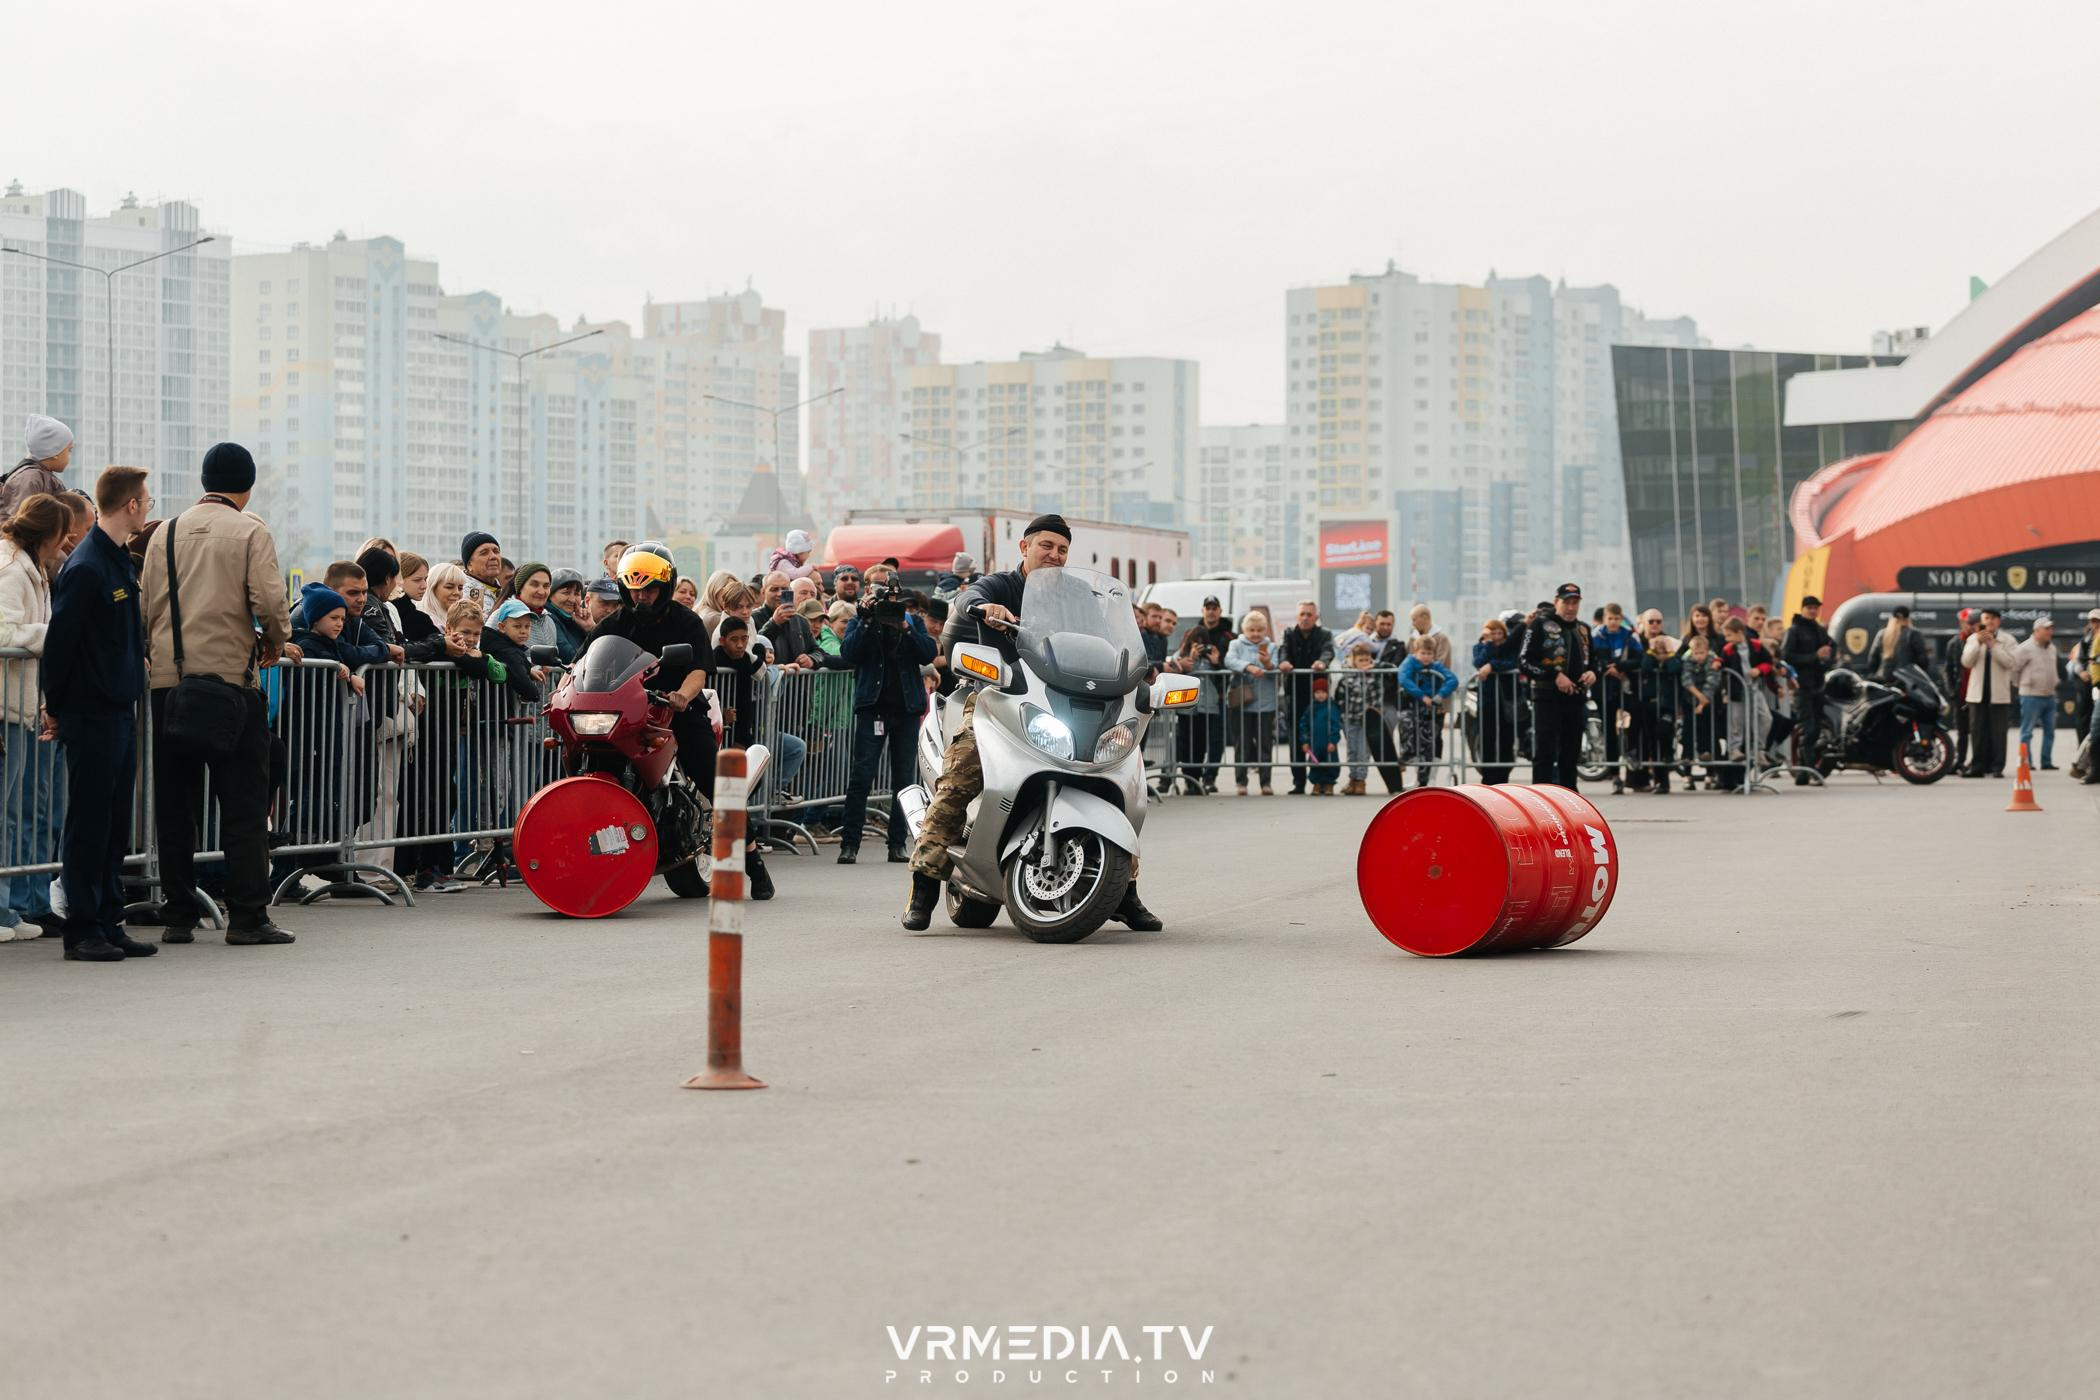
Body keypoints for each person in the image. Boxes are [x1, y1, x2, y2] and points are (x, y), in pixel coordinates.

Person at [904, 514, 1158, 932]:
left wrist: (1138, 668)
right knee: (962, 774)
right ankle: (924, 885)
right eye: (1047, 546)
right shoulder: (1001, 585)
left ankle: (1124, 891)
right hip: (1000, 694)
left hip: (1066, 700)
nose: (1055, 555)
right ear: (1025, 548)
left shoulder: (1080, 596)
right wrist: (983, 607)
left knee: (1123, 785)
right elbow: (966, 600)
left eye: (1062, 549)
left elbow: (1113, 638)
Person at [140, 442, 296, 946]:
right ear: (247, 486)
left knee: (174, 804)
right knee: (244, 802)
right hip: (231, 683)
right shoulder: (251, 529)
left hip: (171, 684)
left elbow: (147, 607)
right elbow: (269, 600)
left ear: (204, 481)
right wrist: (275, 641)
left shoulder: (165, 531)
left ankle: (178, 914)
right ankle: (248, 916)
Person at [594, 543, 765, 898]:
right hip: (625, 714)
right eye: (635, 589)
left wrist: (684, 696)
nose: (642, 596)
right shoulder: (613, 623)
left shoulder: (686, 621)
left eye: (650, 588)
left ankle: (753, 861)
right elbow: (585, 664)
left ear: (665, 586)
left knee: (713, 780)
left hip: (675, 712)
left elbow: (698, 672)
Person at [38, 468, 156, 958]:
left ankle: (109, 920)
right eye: (145, 499)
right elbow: (61, 645)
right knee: (88, 822)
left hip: (117, 708)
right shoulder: (87, 567)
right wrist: (56, 706)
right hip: (90, 710)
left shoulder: (117, 562)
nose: (149, 505)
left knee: (112, 822)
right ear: (129, 505)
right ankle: (82, 927)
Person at [0, 493, 69, 940]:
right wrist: (53, 634)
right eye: (64, 537)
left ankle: (13, 905)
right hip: (6, 705)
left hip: (21, 705)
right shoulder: (11, 569)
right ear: (47, 535)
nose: (67, 545)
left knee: (17, 810)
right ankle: (4, 908)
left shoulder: (31, 568)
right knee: (6, 812)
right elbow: (4, 630)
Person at [835, 577, 938, 864]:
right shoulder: (863, 620)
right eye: (886, 601)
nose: (890, 606)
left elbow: (929, 652)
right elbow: (849, 653)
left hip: (906, 710)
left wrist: (904, 626)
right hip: (873, 709)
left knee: (904, 780)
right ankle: (849, 845)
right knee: (861, 777)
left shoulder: (912, 622)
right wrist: (867, 621)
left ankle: (897, 844)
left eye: (895, 601)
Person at [1519, 582, 1594, 789]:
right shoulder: (1539, 625)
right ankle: (1540, 800)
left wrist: (1592, 673)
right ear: (1556, 602)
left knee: (1571, 754)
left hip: (1576, 699)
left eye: (1575, 603)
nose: (1571, 607)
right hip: (1547, 698)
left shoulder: (1584, 629)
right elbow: (1524, 661)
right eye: (1567, 602)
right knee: (1545, 752)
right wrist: (1555, 675)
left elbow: (1595, 662)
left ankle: (1570, 798)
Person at [1277, 601, 1335, 795]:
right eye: (1302, 614)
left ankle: (1323, 781)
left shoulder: (1324, 634)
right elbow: (1283, 650)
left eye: (1309, 614)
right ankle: (1298, 781)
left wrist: (1322, 662)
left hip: (1317, 695)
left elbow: (1328, 650)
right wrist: (1283, 661)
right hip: (1294, 693)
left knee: (1322, 738)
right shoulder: (1289, 634)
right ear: (1297, 617)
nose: (1305, 618)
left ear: (1316, 617)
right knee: (1296, 739)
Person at [1224, 609, 1280, 795]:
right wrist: (1248, 667)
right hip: (1242, 703)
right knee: (1242, 744)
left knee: (1265, 744)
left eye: (1259, 630)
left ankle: (1266, 783)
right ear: (1244, 630)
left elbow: (1278, 667)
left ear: (1265, 630)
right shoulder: (1236, 644)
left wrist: (1268, 665)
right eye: (1252, 630)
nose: (1256, 634)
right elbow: (1229, 660)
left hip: (1266, 704)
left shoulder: (1271, 647)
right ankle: (1241, 782)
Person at [1781, 595, 1836, 777]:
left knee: (1817, 728)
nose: (1813, 611)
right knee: (1809, 728)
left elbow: (1831, 648)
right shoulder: (1794, 630)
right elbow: (1787, 657)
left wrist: (1826, 660)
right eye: (1810, 607)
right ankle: (1807, 769)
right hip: (1801, 686)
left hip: (1818, 685)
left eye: (1816, 608)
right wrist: (1814, 656)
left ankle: (1805, 771)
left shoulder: (1819, 630)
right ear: (1803, 608)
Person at [1960, 608, 2018, 778]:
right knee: (1977, 732)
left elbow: (2010, 663)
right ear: (1981, 622)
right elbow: (1967, 662)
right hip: (1977, 694)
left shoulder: (2008, 640)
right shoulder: (1972, 639)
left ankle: (1997, 767)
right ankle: (1977, 767)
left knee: (1998, 733)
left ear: (1999, 621)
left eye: (1993, 619)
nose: (1990, 622)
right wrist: (1978, 643)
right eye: (1986, 618)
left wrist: (1993, 646)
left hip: (1999, 694)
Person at [1396, 635, 1458, 787]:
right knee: (1406, 725)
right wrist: (1421, 695)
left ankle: (1423, 780)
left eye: (1429, 654)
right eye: (1423, 653)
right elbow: (1404, 678)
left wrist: (1440, 695)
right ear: (1416, 652)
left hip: (1430, 707)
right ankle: (1408, 753)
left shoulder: (1436, 666)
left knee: (1427, 741)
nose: (1426, 657)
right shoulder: (1410, 662)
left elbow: (1453, 680)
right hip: (1411, 704)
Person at [1471, 616, 1522, 785]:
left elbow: (1512, 662)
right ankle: (1488, 777)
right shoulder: (1480, 647)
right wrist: (1488, 645)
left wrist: (1492, 665)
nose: (1497, 637)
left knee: (1507, 739)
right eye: (1493, 633)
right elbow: (1478, 662)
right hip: (1487, 700)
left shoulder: (1509, 648)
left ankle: (1503, 775)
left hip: (1507, 699)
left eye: (1500, 633)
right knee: (1487, 738)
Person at [1591, 603, 1638, 783]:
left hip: (1624, 686)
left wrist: (1620, 667)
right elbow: (1591, 660)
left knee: (1634, 716)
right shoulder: (1595, 636)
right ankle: (1614, 773)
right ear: (1604, 618)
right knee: (1610, 729)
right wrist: (1605, 668)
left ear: (1621, 619)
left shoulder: (1629, 636)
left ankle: (1631, 751)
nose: (1613, 622)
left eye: (1616, 619)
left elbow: (1638, 658)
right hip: (1603, 689)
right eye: (1610, 618)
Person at [0, 414, 73, 518]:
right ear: (55, 451)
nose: (70, 455)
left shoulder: (40, 476)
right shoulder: (30, 478)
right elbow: (22, 522)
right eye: (69, 450)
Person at [2013, 617, 2061, 769]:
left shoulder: (2052, 647)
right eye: (2046, 629)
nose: (2050, 632)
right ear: (2036, 630)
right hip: (2030, 695)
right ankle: (2027, 762)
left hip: (2050, 695)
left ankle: (2046, 762)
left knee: (2050, 732)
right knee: (2027, 732)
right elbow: (2014, 669)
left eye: (2050, 628)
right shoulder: (2024, 648)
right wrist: (2021, 685)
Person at [1945, 609, 1979, 772]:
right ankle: (1960, 760)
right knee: (1962, 731)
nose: (1970, 626)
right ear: (1961, 623)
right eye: (1967, 622)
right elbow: (1949, 670)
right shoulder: (1954, 643)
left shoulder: (1979, 641)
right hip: (1961, 693)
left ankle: (1977, 761)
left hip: (1977, 693)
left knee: (1977, 731)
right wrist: (1952, 691)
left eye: (1972, 623)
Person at [1871, 605, 1932, 679]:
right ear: (1908, 619)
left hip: (1885, 679)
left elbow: (1872, 660)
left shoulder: (1882, 634)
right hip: (1907, 680)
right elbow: (1923, 660)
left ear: (1892, 619)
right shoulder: (1914, 634)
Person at [545, 569, 591, 659]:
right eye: (566, 593)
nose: (572, 599)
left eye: (577, 594)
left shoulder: (575, 620)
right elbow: (570, 656)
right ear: (550, 594)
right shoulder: (547, 618)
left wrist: (590, 628)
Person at [460, 530, 504, 620]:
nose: (493, 556)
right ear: (469, 564)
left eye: (496, 551)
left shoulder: (503, 593)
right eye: (484, 553)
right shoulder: (462, 596)